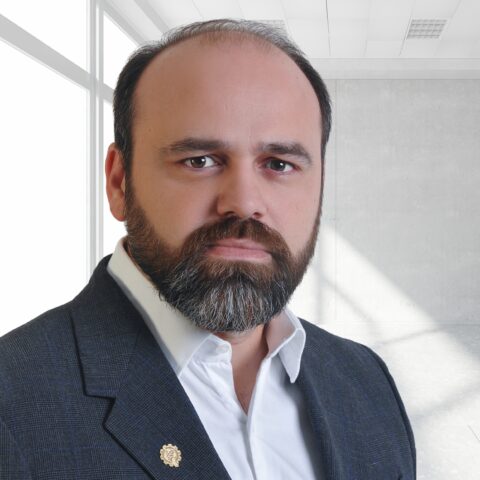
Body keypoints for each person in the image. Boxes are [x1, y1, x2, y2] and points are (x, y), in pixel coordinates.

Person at [0, 19, 415, 480]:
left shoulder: (366, 380)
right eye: (199, 161)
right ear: (119, 182)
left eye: (279, 164)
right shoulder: (12, 403)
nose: (244, 201)